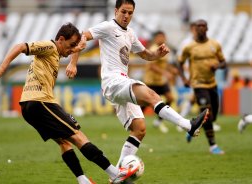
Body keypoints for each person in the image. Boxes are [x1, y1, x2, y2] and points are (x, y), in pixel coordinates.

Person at [68, 0, 209, 169]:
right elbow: (80, 37)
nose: (126, 16)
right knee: (152, 96)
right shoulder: (107, 27)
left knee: (140, 129)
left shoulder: (131, 33)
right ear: (115, 11)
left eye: (130, 13)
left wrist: (157, 54)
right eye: (123, 12)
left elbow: (145, 54)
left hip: (120, 82)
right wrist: (73, 63)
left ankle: (118, 174)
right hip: (113, 81)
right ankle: (188, 125)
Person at [0, 23, 138, 184]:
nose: (71, 50)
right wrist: (2, 67)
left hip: (27, 106)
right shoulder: (49, 46)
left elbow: (76, 47)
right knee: (78, 136)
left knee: (64, 141)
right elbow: (20, 46)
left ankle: (83, 180)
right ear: (60, 39)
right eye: (70, 45)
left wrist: (74, 57)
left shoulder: (57, 52)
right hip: (40, 101)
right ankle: (115, 173)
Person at [178, 19, 226, 155]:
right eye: (198, 26)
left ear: (207, 28)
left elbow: (223, 63)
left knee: (213, 114)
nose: (200, 28)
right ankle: (213, 146)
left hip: (212, 83)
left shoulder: (214, 45)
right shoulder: (189, 47)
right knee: (207, 112)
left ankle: (193, 128)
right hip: (198, 84)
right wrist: (184, 79)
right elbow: (179, 63)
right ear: (195, 29)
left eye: (203, 26)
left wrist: (217, 66)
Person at [143, 30, 175, 133]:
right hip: (151, 81)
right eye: (160, 37)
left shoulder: (164, 48)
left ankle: (159, 121)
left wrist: (172, 70)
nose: (162, 39)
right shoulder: (153, 49)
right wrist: (165, 73)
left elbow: (164, 64)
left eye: (163, 37)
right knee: (144, 104)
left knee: (170, 98)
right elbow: (151, 66)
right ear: (156, 38)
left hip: (160, 81)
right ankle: (135, 121)